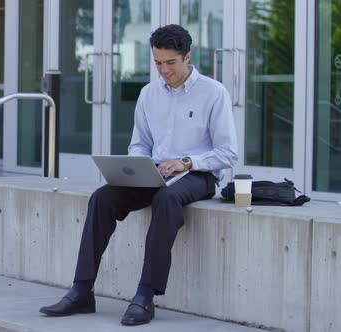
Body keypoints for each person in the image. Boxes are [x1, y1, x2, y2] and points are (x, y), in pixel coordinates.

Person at [39, 24, 238, 326]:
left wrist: (185, 162)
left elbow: (227, 153)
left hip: (198, 174)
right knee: (103, 198)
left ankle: (145, 295)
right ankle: (81, 290)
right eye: (158, 63)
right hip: (154, 172)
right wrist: (136, 167)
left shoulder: (213, 93)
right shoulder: (148, 94)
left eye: (170, 63)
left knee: (167, 198)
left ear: (187, 57)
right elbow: (140, 143)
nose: (163, 70)